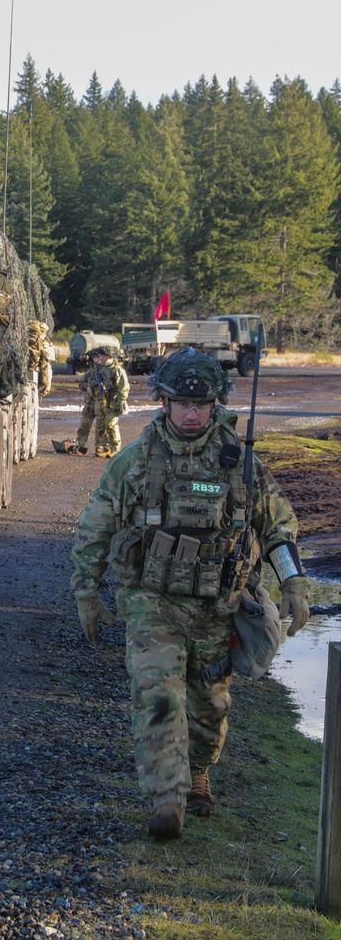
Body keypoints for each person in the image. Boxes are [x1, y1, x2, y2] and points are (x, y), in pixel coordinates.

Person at [70, 347, 311, 841]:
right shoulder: (134, 463)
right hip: (150, 601)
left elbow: (279, 526)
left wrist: (293, 582)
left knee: (208, 708)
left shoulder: (241, 464)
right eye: (182, 402)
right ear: (162, 401)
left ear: (217, 404)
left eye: (201, 404)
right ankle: (166, 799)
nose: (192, 412)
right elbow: (94, 528)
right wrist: (87, 592)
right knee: (157, 695)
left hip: (217, 607)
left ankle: (198, 772)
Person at [73, 345, 129, 456]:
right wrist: (89, 387)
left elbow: (123, 389)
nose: (100, 358)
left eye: (102, 356)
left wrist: (118, 403)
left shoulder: (116, 370)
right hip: (98, 403)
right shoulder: (95, 370)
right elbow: (82, 383)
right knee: (100, 426)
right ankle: (101, 447)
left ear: (109, 357)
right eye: (99, 356)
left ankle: (115, 449)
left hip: (111, 403)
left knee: (111, 426)